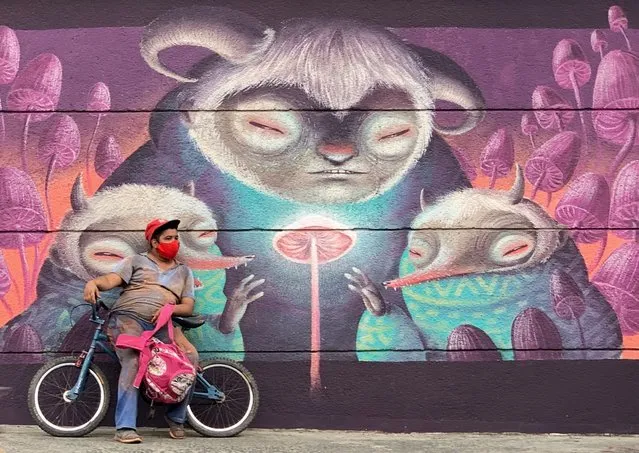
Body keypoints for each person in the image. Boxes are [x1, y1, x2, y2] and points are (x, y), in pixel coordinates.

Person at [83, 218, 199, 444]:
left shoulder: (184, 272)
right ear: (155, 242)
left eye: (176, 238)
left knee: (190, 356)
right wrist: (93, 284)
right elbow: (111, 279)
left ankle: (176, 417)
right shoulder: (136, 261)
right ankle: (125, 428)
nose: (174, 242)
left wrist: (171, 308)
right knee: (133, 362)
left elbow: (188, 306)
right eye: (168, 238)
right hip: (128, 319)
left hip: (163, 324)